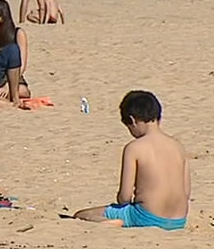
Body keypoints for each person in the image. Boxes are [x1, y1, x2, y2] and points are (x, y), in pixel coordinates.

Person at [73, 91, 190, 230]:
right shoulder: (178, 147)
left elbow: (125, 197)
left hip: (146, 217)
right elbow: (186, 193)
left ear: (133, 120)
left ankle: (108, 222)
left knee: (82, 214)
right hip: (179, 220)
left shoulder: (134, 148)